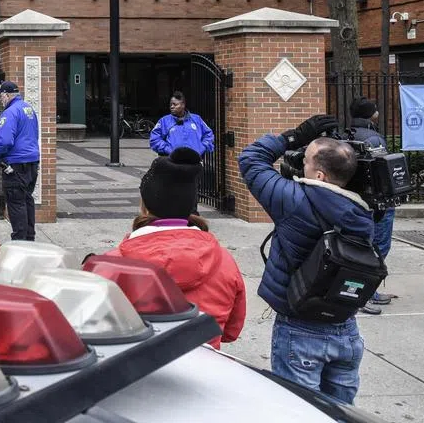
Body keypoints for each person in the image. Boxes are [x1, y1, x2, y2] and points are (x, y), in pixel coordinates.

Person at [239, 114, 374, 404]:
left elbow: (251, 159)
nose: (301, 163)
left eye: (306, 161)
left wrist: (293, 137)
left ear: (320, 176)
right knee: (340, 412)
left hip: (300, 329)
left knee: (298, 410)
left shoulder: (294, 200)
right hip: (346, 329)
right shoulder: (366, 213)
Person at [107, 147, 245, 350]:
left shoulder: (112, 265)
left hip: (136, 375)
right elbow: (231, 331)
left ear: (145, 206)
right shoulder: (224, 261)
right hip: (204, 370)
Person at [349, 96, 394, 315]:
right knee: (378, 247)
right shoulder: (374, 139)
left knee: (358, 247)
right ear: (372, 114)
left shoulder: (344, 136)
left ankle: (358, 291)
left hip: (352, 201)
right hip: (375, 203)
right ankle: (366, 292)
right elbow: (382, 170)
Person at [0, 81, 40, 241]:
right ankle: (29, 239)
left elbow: (4, 141)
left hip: (16, 165)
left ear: (7, 95)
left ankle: (19, 242)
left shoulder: (10, 112)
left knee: (16, 203)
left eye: (0, 96)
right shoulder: (28, 109)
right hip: (32, 162)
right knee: (27, 200)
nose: (0, 99)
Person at [149, 91, 214, 157]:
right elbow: (154, 139)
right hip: (173, 162)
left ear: (183, 105)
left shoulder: (196, 119)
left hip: (195, 161)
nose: (172, 106)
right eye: (170, 104)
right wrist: (167, 149)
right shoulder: (164, 121)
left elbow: (209, 134)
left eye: (175, 104)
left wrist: (201, 148)